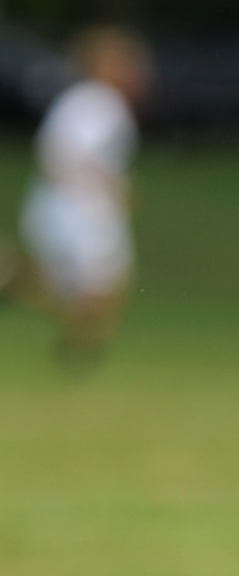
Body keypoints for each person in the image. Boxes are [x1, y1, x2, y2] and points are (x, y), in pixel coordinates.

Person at [16, 27, 151, 363]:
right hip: (79, 210)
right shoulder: (100, 103)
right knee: (100, 283)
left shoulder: (84, 100)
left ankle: (78, 348)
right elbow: (64, 155)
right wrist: (109, 187)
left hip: (68, 206)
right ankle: (80, 347)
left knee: (80, 285)